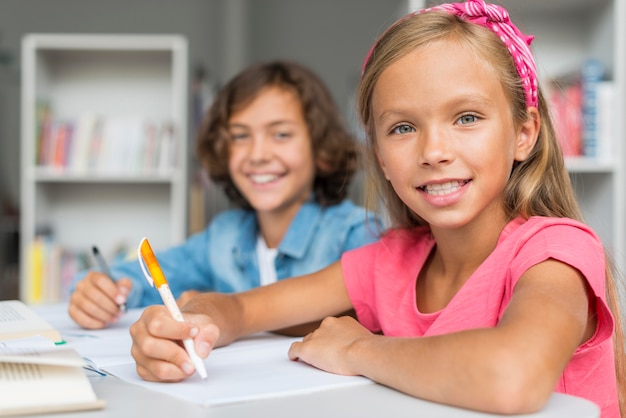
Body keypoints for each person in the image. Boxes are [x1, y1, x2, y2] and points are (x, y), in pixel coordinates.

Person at [128, 1, 625, 416]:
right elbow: (242, 309)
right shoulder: (390, 260)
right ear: (381, 158)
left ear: (524, 133)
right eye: (402, 128)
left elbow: (512, 376)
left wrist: (359, 349)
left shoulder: (556, 250)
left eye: (466, 117)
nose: (433, 150)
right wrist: (192, 322)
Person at [68, 60, 381, 330]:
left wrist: (218, 309)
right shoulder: (223, 236)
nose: (258, 154)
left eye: (281, 134)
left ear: (321, 148)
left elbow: (367, 318)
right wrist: (100, 289)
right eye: (241, 136)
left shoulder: (356, 234)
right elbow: (147, 275)